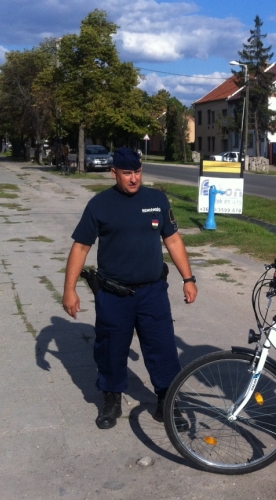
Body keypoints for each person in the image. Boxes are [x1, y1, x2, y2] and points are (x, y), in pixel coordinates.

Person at [62, 147, 198, 430]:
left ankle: (167, 401)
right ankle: (111, 399)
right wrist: (69, 289)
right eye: (127, 173)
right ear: (114, 173)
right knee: (111, 348)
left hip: (153, 292)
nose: (134, 178)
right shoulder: (100, 204)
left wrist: (188, 278)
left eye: (137, 172)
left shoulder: (157, 199)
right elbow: (81, 247)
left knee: (162, 348)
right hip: (114, 294)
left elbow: (173, 240)